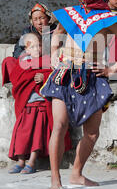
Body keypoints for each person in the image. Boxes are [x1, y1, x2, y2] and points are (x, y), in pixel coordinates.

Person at [40, 0, 117, 189]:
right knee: (60, 125)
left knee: (92, 133)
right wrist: (53, 53)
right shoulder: (70, 14)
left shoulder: (109, 19)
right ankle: (55, 178)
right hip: (65, 73)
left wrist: (113, 69)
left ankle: (76, 173)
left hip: (92, 77)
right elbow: (57, 33)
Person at [8, 33, 71, 174]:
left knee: (38, 134)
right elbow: (17, 79)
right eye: (33, 47)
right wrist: (30, 77)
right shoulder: (22, 63)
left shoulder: (48, 61)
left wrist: (44, 77)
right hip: (27, 105)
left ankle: (31, 161)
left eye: (39, 46)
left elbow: (55, 75)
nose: (37, 49)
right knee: (21, 133)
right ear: (26, 49)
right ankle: (20, 160)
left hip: (41, 105)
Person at [2, 3, 57, 85]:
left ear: (48, 18)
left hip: (46, 64)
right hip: (29, 63)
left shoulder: (56, 31)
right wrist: (29, 59)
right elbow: (18, 51)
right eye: (35, 19)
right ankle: (20, 82)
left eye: (42, 18)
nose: (39, 22)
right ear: (32, 21)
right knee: (9, 61)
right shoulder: (27, 31)